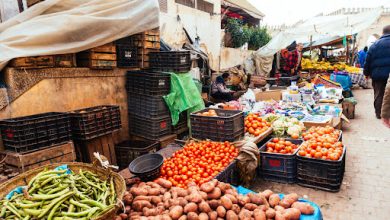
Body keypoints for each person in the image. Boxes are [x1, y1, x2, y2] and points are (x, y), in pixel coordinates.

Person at [363, 25, 390, 119]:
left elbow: (368, 61)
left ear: (383, 33)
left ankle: (379, 114)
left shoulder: (374, 45)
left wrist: (366, 73)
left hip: (378, 75)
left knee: (379, 94)